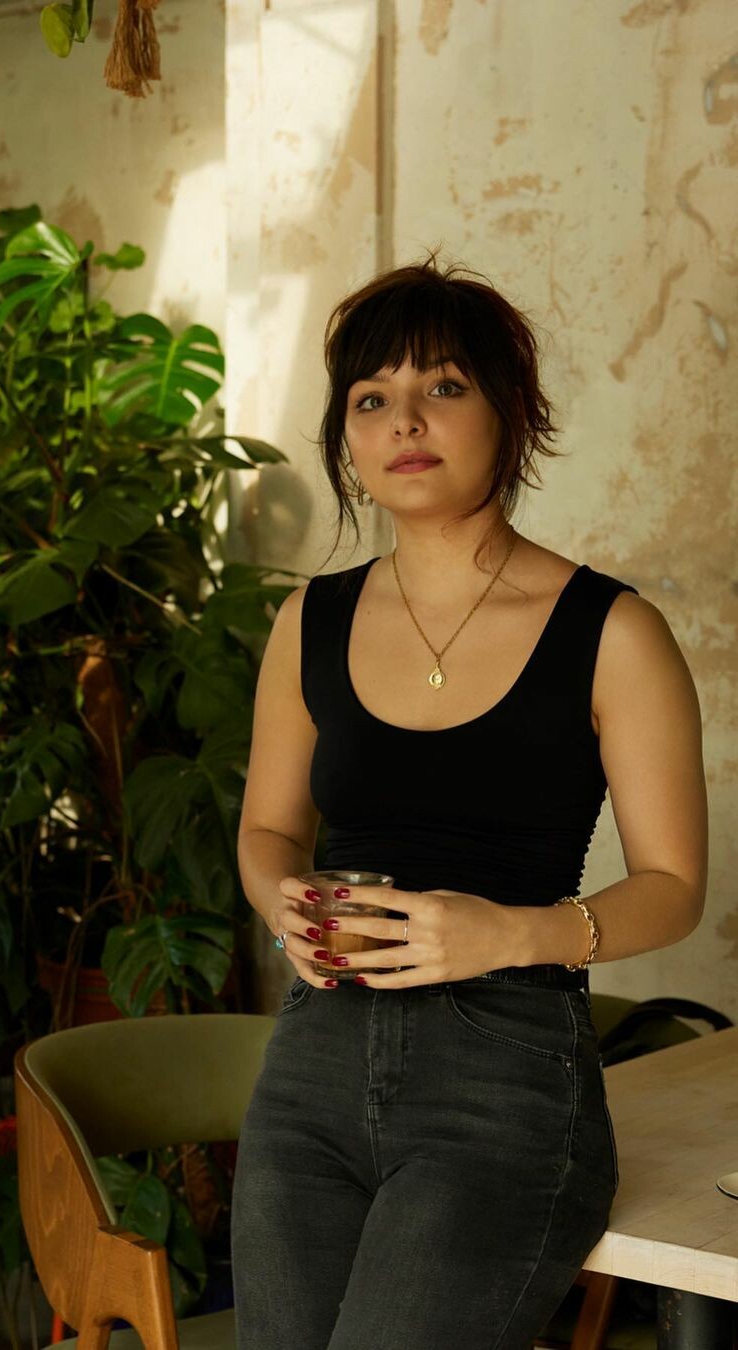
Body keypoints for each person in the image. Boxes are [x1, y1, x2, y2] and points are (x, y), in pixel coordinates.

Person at [230, 251, 708, 1349]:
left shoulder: (612, 632)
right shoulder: (312, 620)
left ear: (510, 411)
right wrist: (281, 904)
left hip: (503, 1077)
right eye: (372, 398)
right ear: (347, 436)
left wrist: (507, 934)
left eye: (443, 386)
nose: (405, 420)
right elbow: (268, 829)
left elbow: (675, 885)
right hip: (311, 1068)